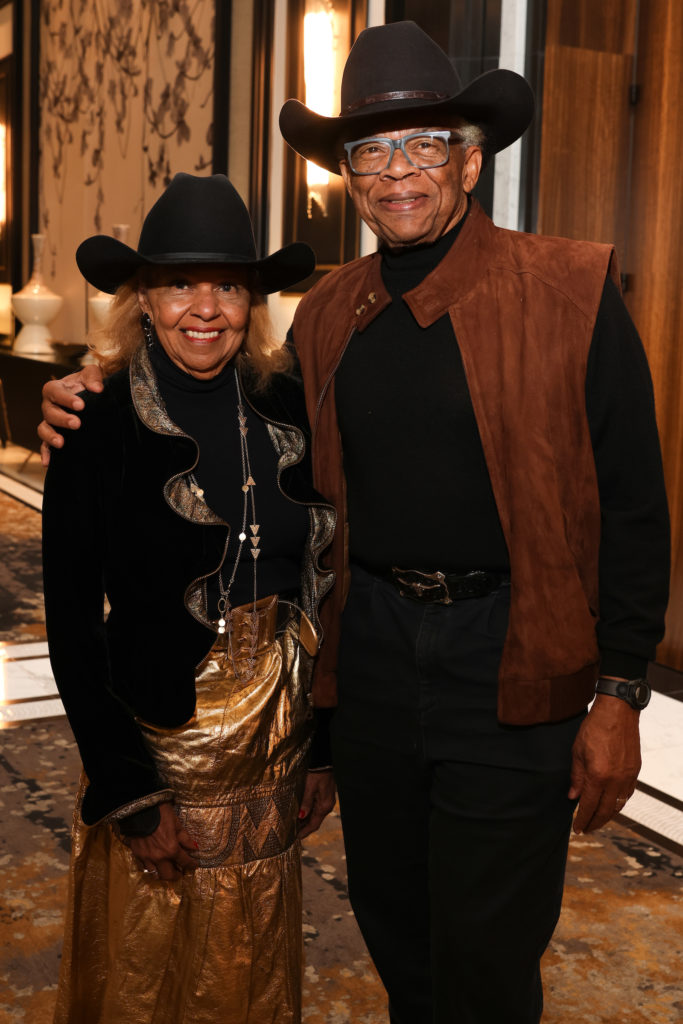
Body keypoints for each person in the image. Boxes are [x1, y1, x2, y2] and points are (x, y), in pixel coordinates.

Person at [40, 21, 670, 1024]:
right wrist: (88, 386)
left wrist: (620, 690)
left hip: (509, 659)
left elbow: (635, 505)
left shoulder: (571, 288)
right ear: (348, 176)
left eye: (423, 144)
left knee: (486, 950)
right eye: (370, 151)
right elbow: (228, 419)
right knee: (392, 921)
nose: (397, 171)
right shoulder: (330, 312)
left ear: (469, 159)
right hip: (369, 660)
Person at [41, 172, 336, 1024]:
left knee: (250, 949)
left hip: (276, 739)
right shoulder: (92, 421)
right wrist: (129, 792)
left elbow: (324, 578)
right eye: (177, 284)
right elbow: (69, 624)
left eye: (228, 286)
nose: (204, 307)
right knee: (150, 961)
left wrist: (324, 746)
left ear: (253, 302)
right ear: (142, 300)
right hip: (156, 740)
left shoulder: (286, 404)